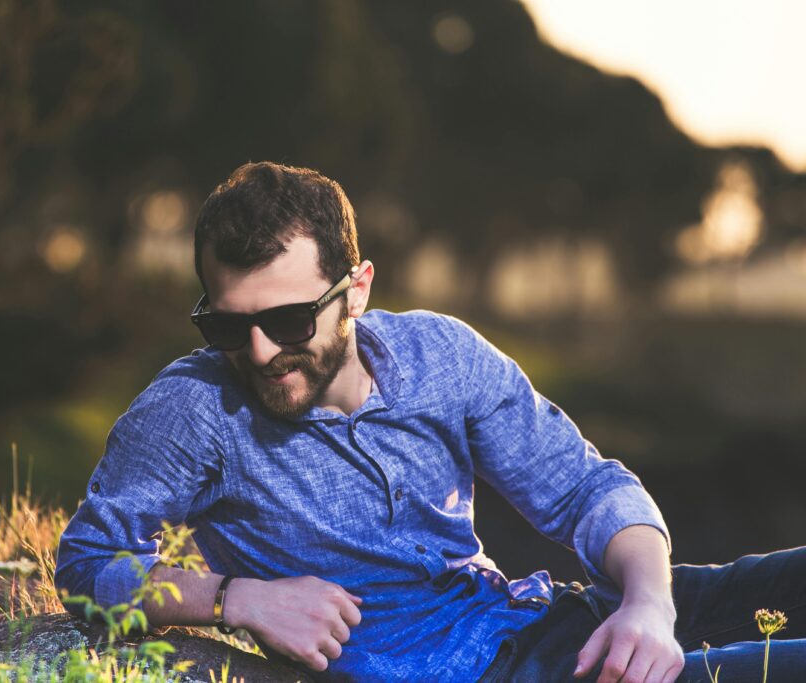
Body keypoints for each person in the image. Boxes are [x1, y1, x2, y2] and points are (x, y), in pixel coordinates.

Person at [54, 162, 806, 682]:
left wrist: (648, 603)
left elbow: (584, 488)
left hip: (551, 614)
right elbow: (88, 562)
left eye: (286, 320)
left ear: (355, 292)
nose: (256, 351)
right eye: (226, 325)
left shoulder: (439, 355)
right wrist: (235, 597)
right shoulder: (192, 408)